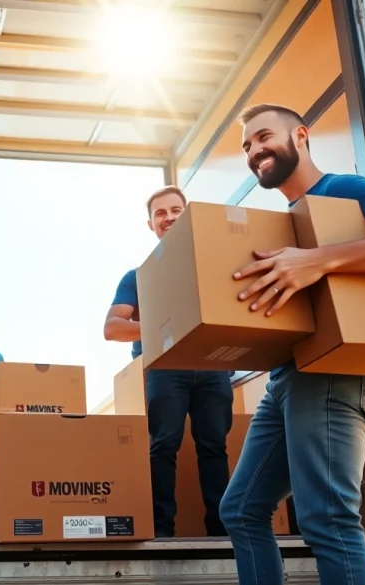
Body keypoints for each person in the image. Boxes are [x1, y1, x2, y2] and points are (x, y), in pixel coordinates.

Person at [218, 104, 365, 585]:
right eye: (246, 145)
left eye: (264, 136)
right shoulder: (286, 222)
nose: (254, 150)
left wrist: (320, 260)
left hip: (341, 372)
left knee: (327, 516)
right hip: (291, 378)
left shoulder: (342, 191)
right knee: (241, 508)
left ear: (301, 136)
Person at [103, 186, 235, 538]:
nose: (169, 218)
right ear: (150, 224)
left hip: (211, 367)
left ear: (187, 214)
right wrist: (167, 324)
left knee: (214, 448)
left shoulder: (210, 266)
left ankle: (221, 532)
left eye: (176, 210)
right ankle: (161, 531)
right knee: (163, 446)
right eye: (161, 213)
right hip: (164, 369)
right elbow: (112, 328)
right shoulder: (137, 276)